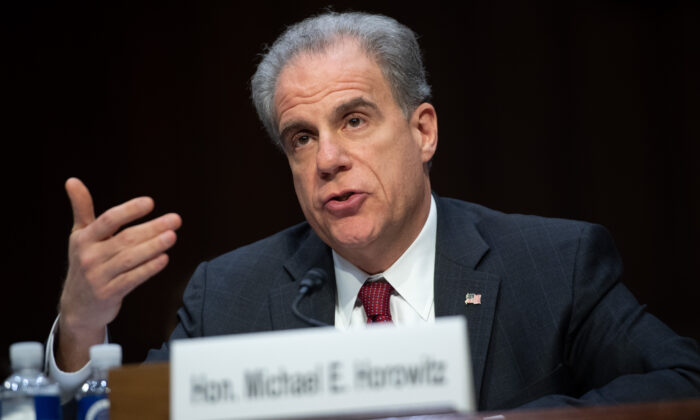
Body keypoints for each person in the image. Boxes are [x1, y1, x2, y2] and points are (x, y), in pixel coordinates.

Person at [47, 11, 700, 410]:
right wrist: (80, 331)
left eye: (354, 120)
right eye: (301, 137)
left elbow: (683, 381)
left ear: (423, 132)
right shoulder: (230, 296)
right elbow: (134, 414)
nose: (328, 158)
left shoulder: (553, 267)